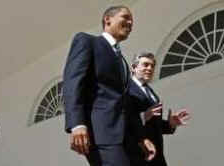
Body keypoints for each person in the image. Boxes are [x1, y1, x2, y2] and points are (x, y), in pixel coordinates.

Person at [63, 6, 155, 166]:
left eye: (132, 20)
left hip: (127, 138)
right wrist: (77, 124)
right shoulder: (87, 41)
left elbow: (126, 102)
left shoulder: (123, 63)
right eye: (125, 17)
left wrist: (141, 137)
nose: (130, 22)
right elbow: (73, 82)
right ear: (108, 19)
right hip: (101, 134)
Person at [125, 51, 191, 166]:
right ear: (134, 67)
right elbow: (122, 118)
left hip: (157, 156)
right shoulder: (126, 90)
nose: (150, 68)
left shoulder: (151, 93)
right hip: (138, 154)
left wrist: (170, 124)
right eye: (145, 64)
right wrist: (143, 116)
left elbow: (155, 125)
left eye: (152, 66)